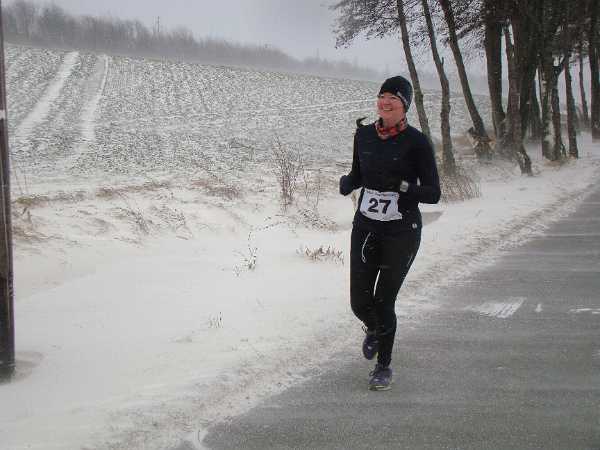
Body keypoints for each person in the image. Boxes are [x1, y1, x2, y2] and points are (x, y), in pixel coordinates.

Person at [339, 75, 441, 391]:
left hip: (401, 231)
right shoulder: (364, 135)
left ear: (404, 105)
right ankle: (374, 328)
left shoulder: (417, 142)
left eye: (393, 98)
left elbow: (433, 193)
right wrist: (348, 182)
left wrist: (403, 187)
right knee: (359, 302)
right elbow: (359, 173)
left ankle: (383, 366)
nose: (385, 102)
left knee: (384, 302)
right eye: (382, 96)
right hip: (366, 226)